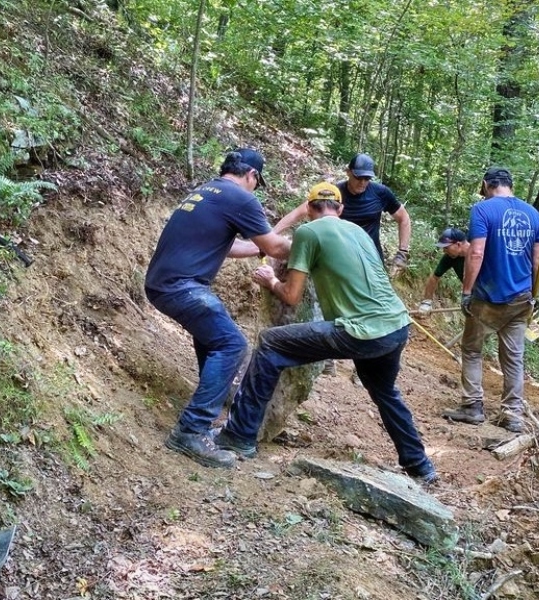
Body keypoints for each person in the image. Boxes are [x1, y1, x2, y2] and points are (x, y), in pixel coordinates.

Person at [213, 182, 438, 484]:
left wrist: (270, 282)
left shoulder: (308, 232)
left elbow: (292, 295)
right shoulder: (358, 231)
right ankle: (420, 466)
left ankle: (239, 434)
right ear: (341, 209)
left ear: (308, 209)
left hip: (359, 330)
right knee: (385, 392)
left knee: (270, 343)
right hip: (396, 325)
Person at [145, 149, 292, 469]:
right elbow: (274, 247)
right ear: (252, 175)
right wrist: (316, 242)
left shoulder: (207, 191)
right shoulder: (239, 198)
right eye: (257, 182)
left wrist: (280, 229)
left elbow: (241, 247)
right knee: (232, 344)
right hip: (181, 286)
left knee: (215, 339)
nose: (255, 188)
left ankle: (207, 406)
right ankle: (191, 430)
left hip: (164, 283)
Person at [442, 168, 539, 433]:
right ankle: (511, 414)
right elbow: (537, 262)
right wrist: (535, 294)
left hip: (488, 297)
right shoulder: (534, 215)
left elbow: (476, 253)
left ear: (486, 184)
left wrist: (466, 291)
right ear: (511, 185)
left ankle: (472, 407)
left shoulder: (483, 210)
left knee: (473, 349)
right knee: (513, 357)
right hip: (521, 297)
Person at [339, 153, 412, 270]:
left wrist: (402, 252)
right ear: (348, 172)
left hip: (372, 260)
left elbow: (403, 218)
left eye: (367, 178)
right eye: (358, 177)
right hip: (342, 259)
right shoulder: (335, 193)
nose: (362, 182)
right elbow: (311, 208)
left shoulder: (380, 192)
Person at [417, 227, 469, 313]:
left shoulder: (480, 251)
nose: (444, 251)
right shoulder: (450, 257)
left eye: (446, 248)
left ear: (458, 244)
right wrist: (427, 301)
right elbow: (434, 278)